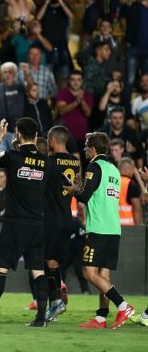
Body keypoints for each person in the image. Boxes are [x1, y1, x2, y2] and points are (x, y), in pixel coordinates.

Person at [0, 117, 52, 327]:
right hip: (37, 224)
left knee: (1, 268)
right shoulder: (46, 161)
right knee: (38, 270)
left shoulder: (13, 157)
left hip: (15, 223)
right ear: (36, 136)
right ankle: (41, 318)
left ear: (17, 134)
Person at [75, 132, 135, 329]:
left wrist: (74, 188)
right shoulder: (114, 169)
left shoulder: (95, 167)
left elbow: (83, 196)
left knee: (89, 272)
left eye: (86, 146)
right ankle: (101, 318)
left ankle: (123, 306)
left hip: (98, 228)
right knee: (104, 274)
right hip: (113, 228)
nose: (84, 149)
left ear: (93, 149)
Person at [42, 126, 81, 322]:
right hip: (67, 217)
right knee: (53, 262)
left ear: (53, 139)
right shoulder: (75, 162)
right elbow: (78, 185)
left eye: (48, 139)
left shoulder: (49, 162)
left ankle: (56, 302)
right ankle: (55, 304)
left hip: (51, 219)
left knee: (47, 262)